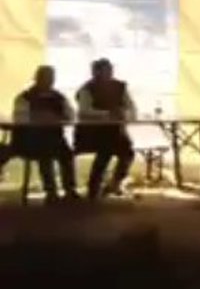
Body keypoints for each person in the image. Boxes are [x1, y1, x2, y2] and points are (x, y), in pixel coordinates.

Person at [11, 66, 78, 204]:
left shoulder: (58, 97)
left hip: (55, 138)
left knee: (67, 154)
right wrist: (38, 117)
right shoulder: (25, 97)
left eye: (51, 78)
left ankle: (69, 189)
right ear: (37, 78)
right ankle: (51, 191)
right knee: (45, 154)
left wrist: (58, 118)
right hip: (30, 139)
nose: (48, 81)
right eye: (45, 77)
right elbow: (20, 118)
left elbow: (71, 115)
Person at [74, 59, 136, 200]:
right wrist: (107, 114)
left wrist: (124, 114)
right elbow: (84, 111)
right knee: (106, 150)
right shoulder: (87, 89)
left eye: (109, 70)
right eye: (104, 70)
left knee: (127, 152)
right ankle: (94, 187)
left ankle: (114, 182)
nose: (108, 73)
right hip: (92, 132)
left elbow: (131, 107)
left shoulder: (120, 87)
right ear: (95, 72)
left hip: (114, 131)